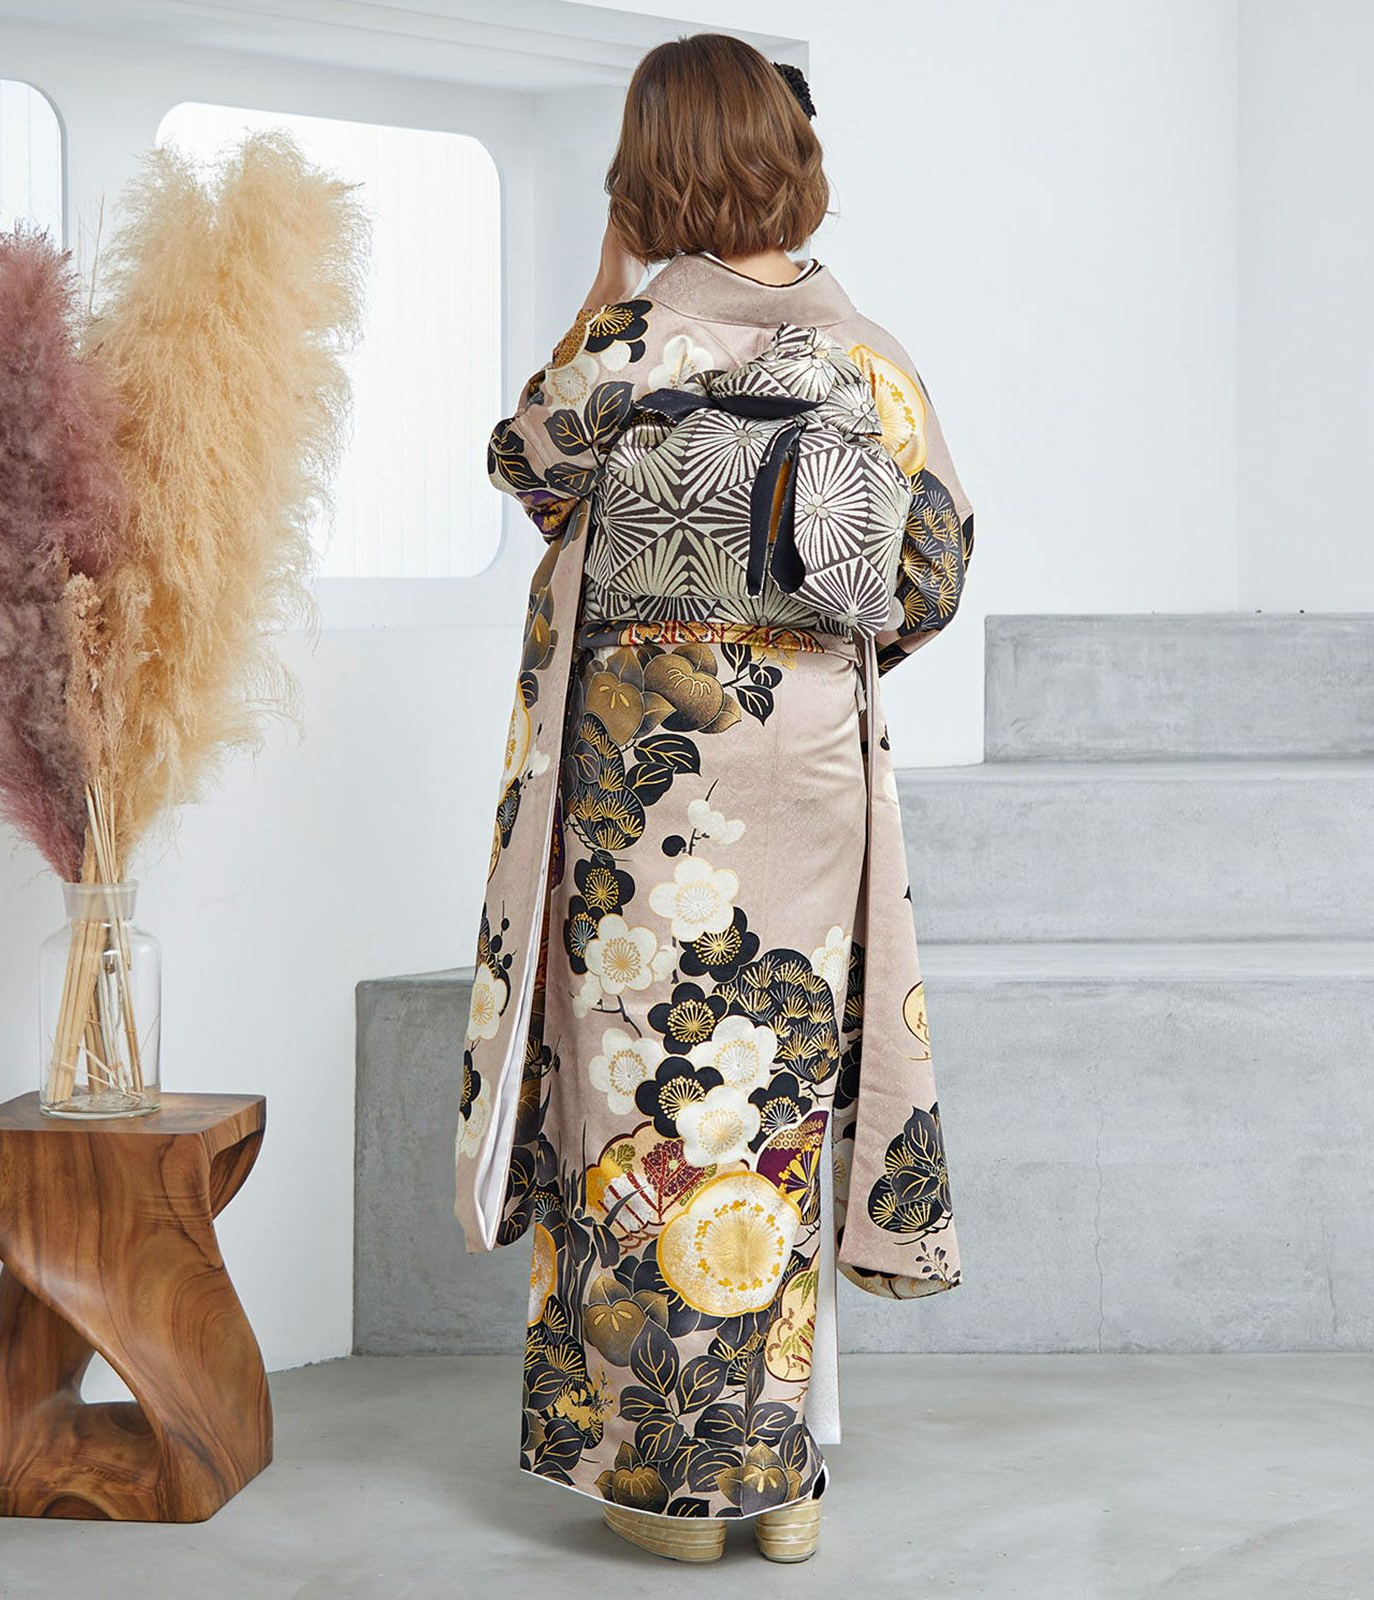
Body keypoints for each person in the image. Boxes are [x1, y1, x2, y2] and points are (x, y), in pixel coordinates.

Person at [454, 31, 973, 1566]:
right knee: (773, 1102)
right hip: (802, 774)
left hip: (644, 789)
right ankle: (781, 1484)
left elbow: (523, 463)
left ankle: (670, 1484)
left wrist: (615, 274)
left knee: (641, 1096)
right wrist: (799, 640)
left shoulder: (624, 347)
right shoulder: (865, 355)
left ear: (647, 173)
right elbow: (933, 571)